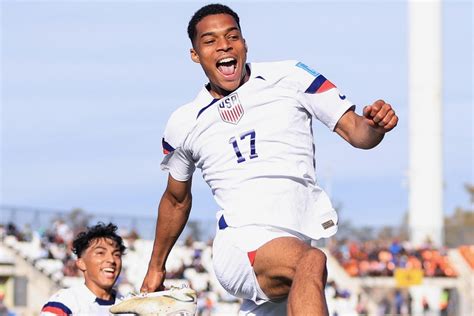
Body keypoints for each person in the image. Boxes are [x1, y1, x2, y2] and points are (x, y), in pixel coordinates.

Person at [141, 3, 398, 315]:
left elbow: (358, 133)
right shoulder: (184, 122)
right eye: (209, 41)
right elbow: (176, 200)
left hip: (294, 242)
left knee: (307, 266)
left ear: (244, 43)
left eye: (232, 36)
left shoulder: (291, 77)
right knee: (312, 261)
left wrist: (375, 126)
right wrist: (156, 267)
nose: (224, 45)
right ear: (195, 54)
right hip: (241, 243)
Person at [40, 222, 126, 315]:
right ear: (81, 263)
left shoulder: (130, 307)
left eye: (117, 254)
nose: (111, 260)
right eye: (100, 253)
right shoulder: (64, 303)